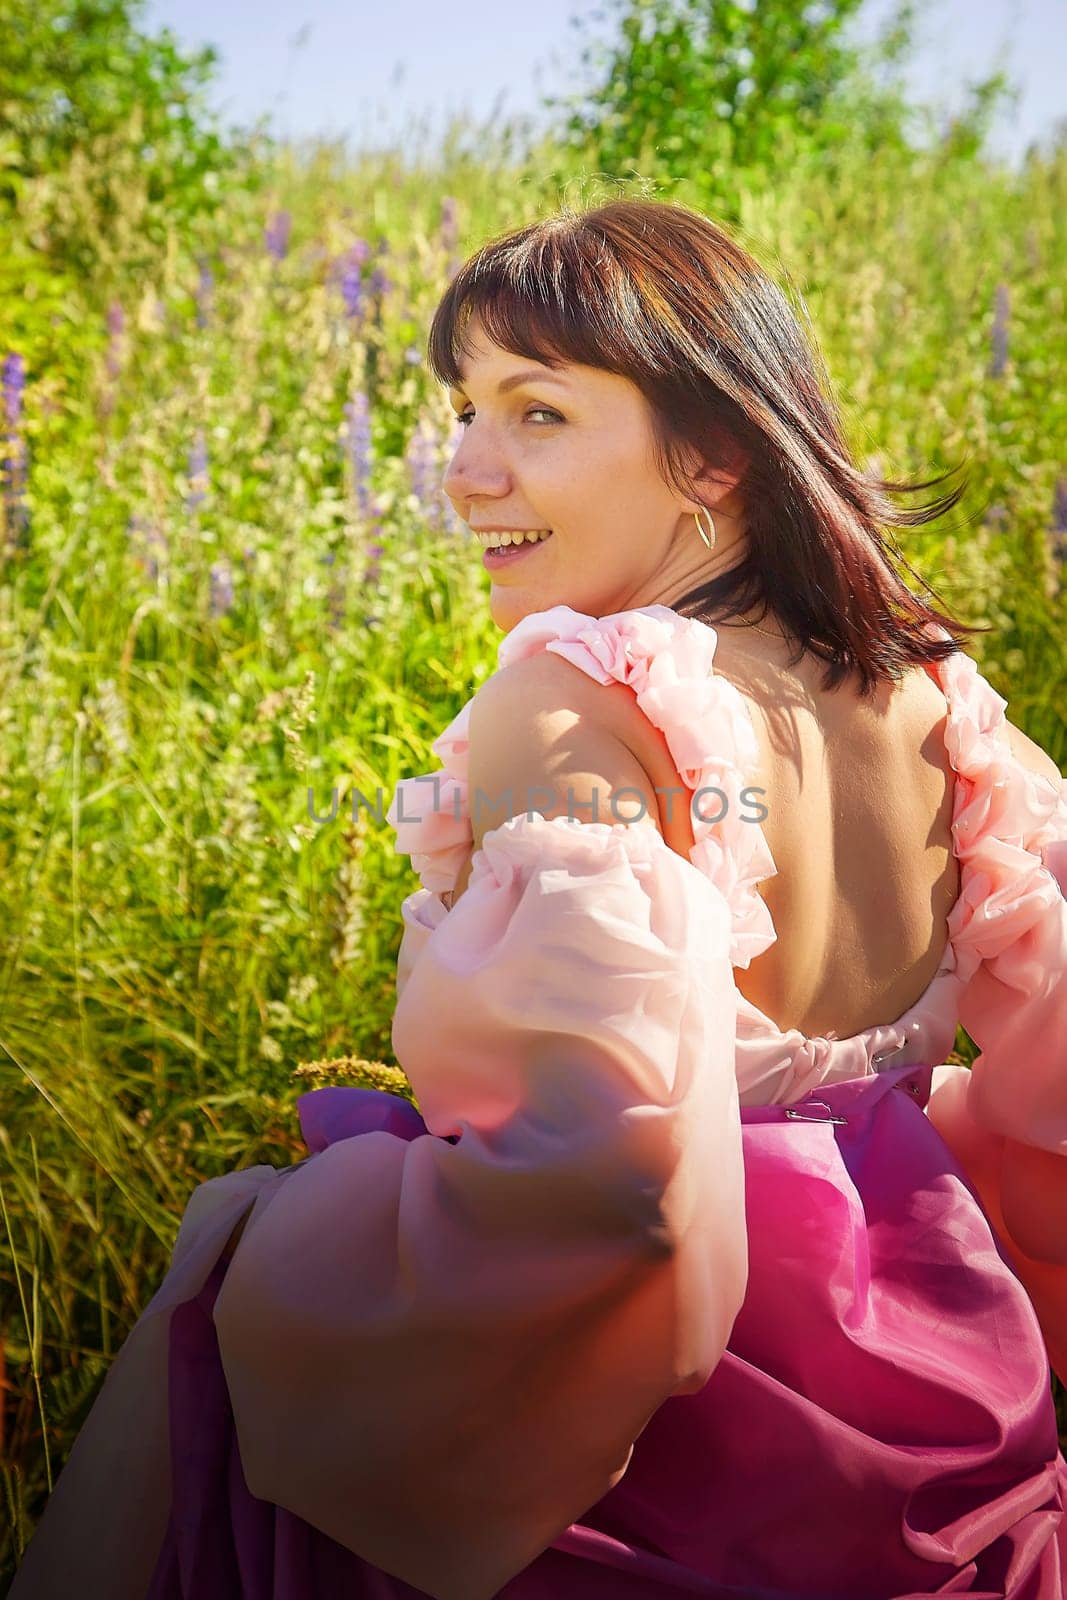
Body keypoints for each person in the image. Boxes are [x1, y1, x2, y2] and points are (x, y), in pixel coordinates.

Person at [10, 198, 1067, 1600]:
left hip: (661, 1445)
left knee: (245, 1278)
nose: (463, 472)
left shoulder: (574, 695)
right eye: (465, 409)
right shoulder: (938, 697)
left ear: (716, 450)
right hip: (940, 1377)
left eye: (539, 414)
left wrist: (285, 1240)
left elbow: (609, 1188)